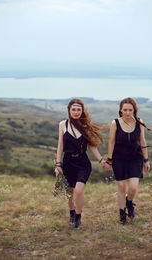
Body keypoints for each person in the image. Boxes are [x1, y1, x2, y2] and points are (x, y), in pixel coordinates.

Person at [54, 98, 108, 229]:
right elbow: (60, 146)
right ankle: (72, 212)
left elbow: (92, 146)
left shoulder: (86, 126)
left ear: (82, 111)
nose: (76, 112)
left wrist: (101, 161)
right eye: (74, 109)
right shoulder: (63, 125)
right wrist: (58, 165)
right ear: (69, 110)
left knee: (78, 191)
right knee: (70, 191)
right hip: (68, 162)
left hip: (83, 163)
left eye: (79, 109)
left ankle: (78, 216)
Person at [104, 97, 152, 224]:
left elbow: (142, 141)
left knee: (133, 187)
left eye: (130, 110)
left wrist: (146, 160)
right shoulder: (115, 123)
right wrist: (109, 159)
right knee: (121, 186)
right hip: (119, 158)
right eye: (125, 110)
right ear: (120, 110)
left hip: (135, 158)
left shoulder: (139, 122)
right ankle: (122, 213)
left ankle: (129, 202)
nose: (127, 112)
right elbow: (111, 142)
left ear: (134, 110)